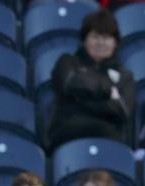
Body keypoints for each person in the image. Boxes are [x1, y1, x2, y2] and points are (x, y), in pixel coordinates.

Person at [44, 8, 133, 151]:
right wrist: (107, 91)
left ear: (116, 42)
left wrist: (79, 98)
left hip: (108, 141)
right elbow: (68, 84)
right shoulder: (67, 62)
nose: (101, 43)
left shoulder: (124, 75)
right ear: (84, 40)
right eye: (96, 37)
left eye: (107, 38)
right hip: (65, 137)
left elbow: (122, 111)